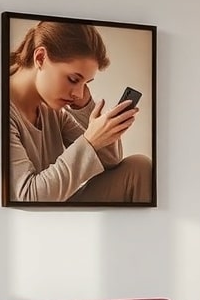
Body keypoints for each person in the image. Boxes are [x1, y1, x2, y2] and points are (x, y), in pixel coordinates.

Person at [8, 21, 153, 204]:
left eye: (86, 83)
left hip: (59, 214)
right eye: (73, 79)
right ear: (40, 58)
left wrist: (84, 107)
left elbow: (111, 161)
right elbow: (27, 197)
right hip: (27, 221)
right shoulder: (0, 109)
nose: (78, 93)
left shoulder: (52, 110)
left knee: (138, 167)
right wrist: (90, 142)